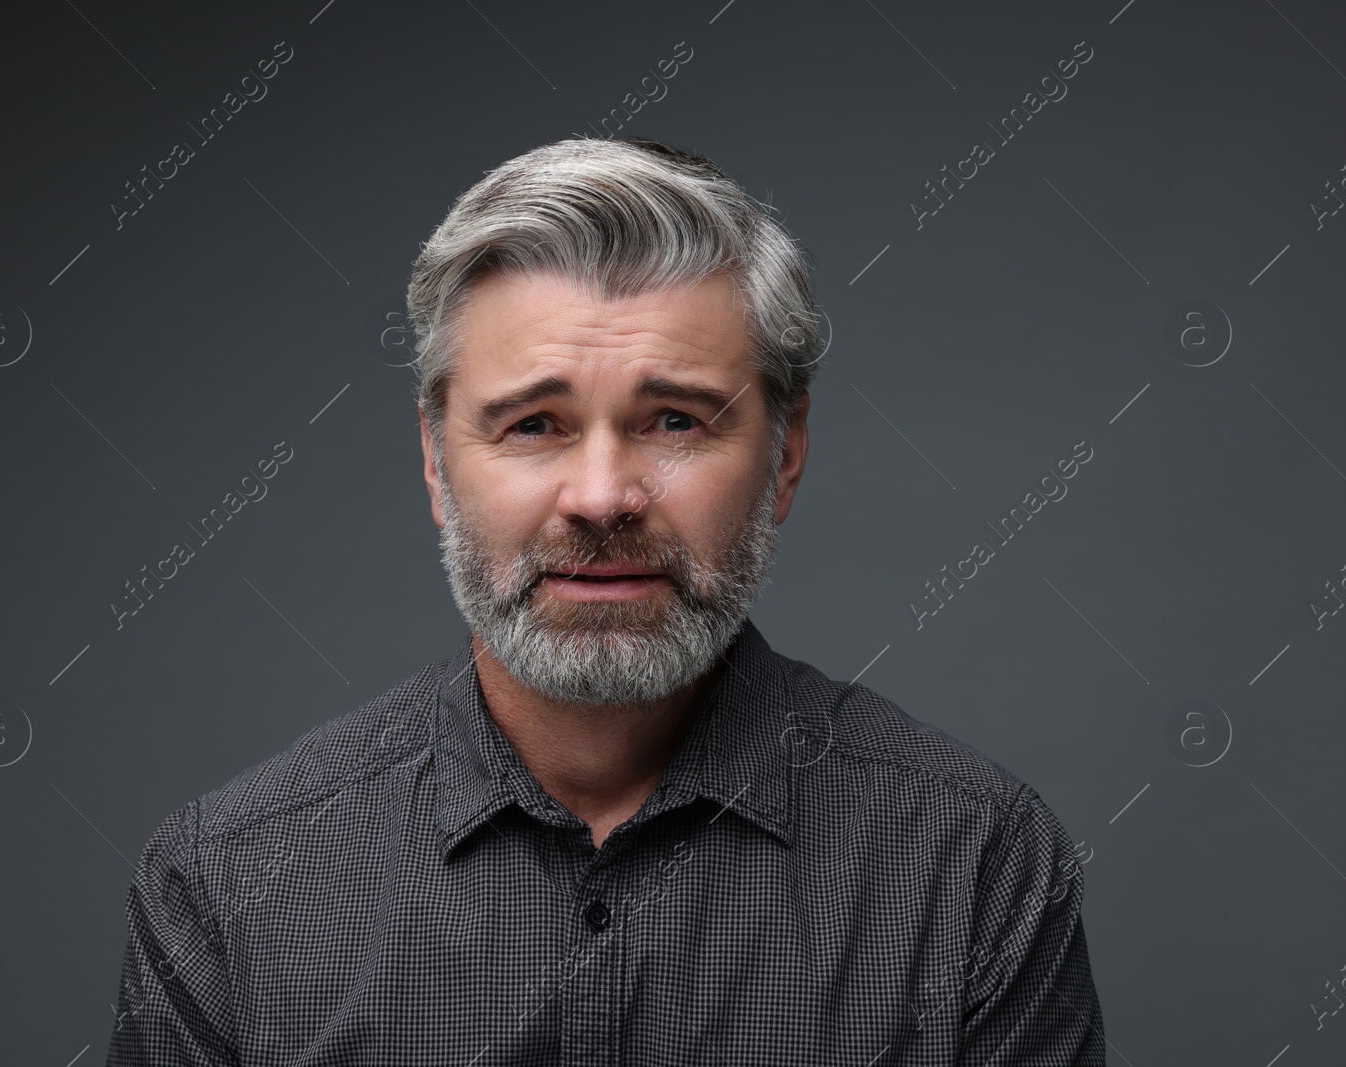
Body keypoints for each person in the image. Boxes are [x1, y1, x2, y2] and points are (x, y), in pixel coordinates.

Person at [105, 137, 1105, 1065]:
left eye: (673, 419)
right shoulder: (227, 885)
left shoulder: (973, 862)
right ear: (434, 459)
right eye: (534, 423)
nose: (600, 497)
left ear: (786, 454)